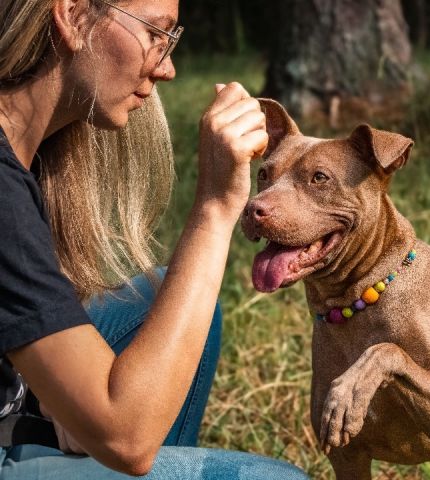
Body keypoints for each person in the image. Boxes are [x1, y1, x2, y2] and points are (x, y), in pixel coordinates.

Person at [0, 0, 308, 478]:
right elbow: (127, 438)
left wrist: (57, 393)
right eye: (155, 34)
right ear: (73, 14)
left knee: (165, 300)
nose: (168, 68)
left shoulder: (29, 145)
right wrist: (215, 206)